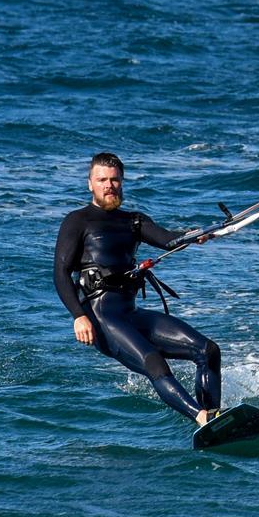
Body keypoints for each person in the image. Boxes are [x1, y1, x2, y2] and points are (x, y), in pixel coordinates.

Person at [54, 153, 220, 426]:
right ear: (90, 184)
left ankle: (216, 418)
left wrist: (196, 234)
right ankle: (202, 418)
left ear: (122, 182)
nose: (109, 185)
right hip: (101, 317)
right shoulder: (77, 221)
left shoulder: (134, 220)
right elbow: (60, 272)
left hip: (130, 313)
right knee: (154, 361)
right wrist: (78, 315)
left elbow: (169, 240)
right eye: (102, 180)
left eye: (115, 180)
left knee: (207, 350)